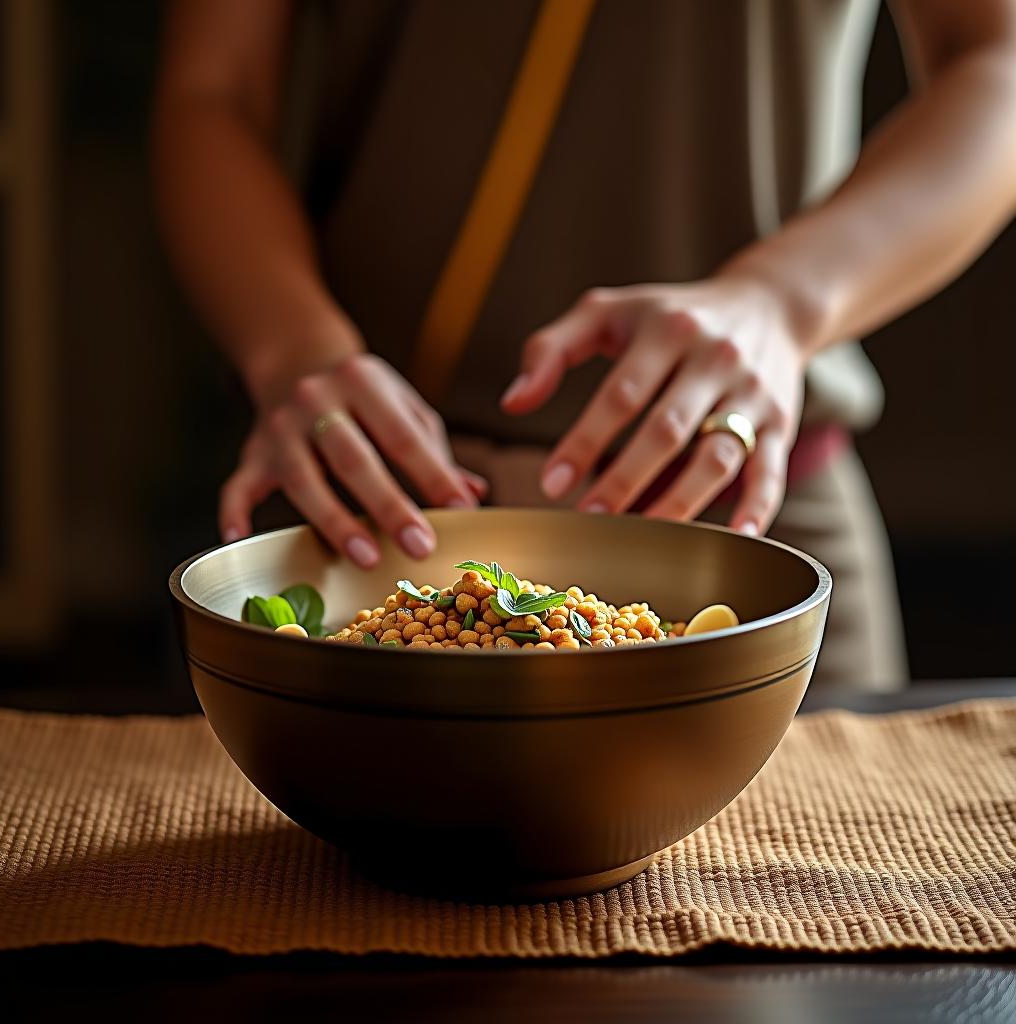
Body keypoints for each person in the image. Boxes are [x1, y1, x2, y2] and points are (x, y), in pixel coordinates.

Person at [153, 0, 1016, 690]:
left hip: (745, 516)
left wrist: (783, 300)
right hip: (354, 518)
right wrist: (293, 348)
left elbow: (996, 57)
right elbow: (213, 89)